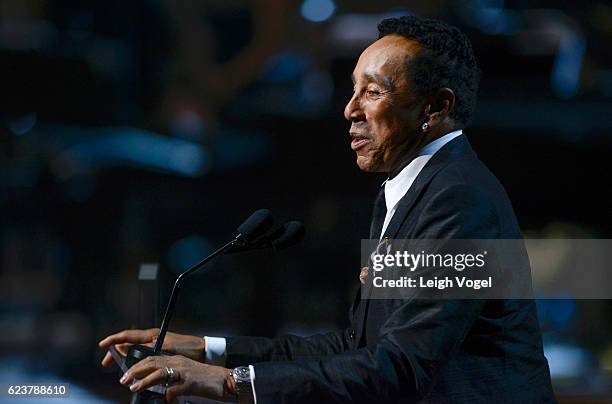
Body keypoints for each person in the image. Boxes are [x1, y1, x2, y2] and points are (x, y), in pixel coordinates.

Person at [99, 16, 556, 403]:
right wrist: (207, 349)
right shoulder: (411, 186)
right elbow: (356, 345)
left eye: (372, 92)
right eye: (353, 89)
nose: (349, 109)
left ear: (435, 107)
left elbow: (402, 366)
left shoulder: (458, 199)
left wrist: (228, 382)